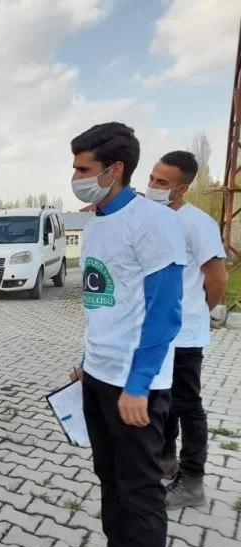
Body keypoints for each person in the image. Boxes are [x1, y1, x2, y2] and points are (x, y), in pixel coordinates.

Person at [59, 123, 187, 547]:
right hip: (97, 376)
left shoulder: (154, 223)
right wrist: (85, 360)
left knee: (141, 492)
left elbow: (165, 312)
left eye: (83, 169)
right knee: (109, 479)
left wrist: (138, 384)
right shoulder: (95, 223)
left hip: (135, 386)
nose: (75, 177)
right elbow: (104, 304)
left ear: (114, 170)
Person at [145, 151, 228, 508]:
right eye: (152, 177)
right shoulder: (153, 218)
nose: (153, 185)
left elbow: (218, 278)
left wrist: (201, 312)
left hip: (185, 333)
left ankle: (192, 481)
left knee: (187, 403)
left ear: (182, 189)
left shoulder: (197, 223)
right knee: (162, 399)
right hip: (157, 331)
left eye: (162, 182)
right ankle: (165, 458)